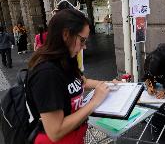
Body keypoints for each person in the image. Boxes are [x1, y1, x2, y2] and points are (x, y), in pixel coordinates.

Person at [27, 9, 112, 144]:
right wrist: (94, 102)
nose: (84, 46)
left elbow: (83, 81)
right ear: (66, 34)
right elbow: (55, 131)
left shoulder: (66, 59)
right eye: (82, 40)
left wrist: (109, 84)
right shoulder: (46, 73)